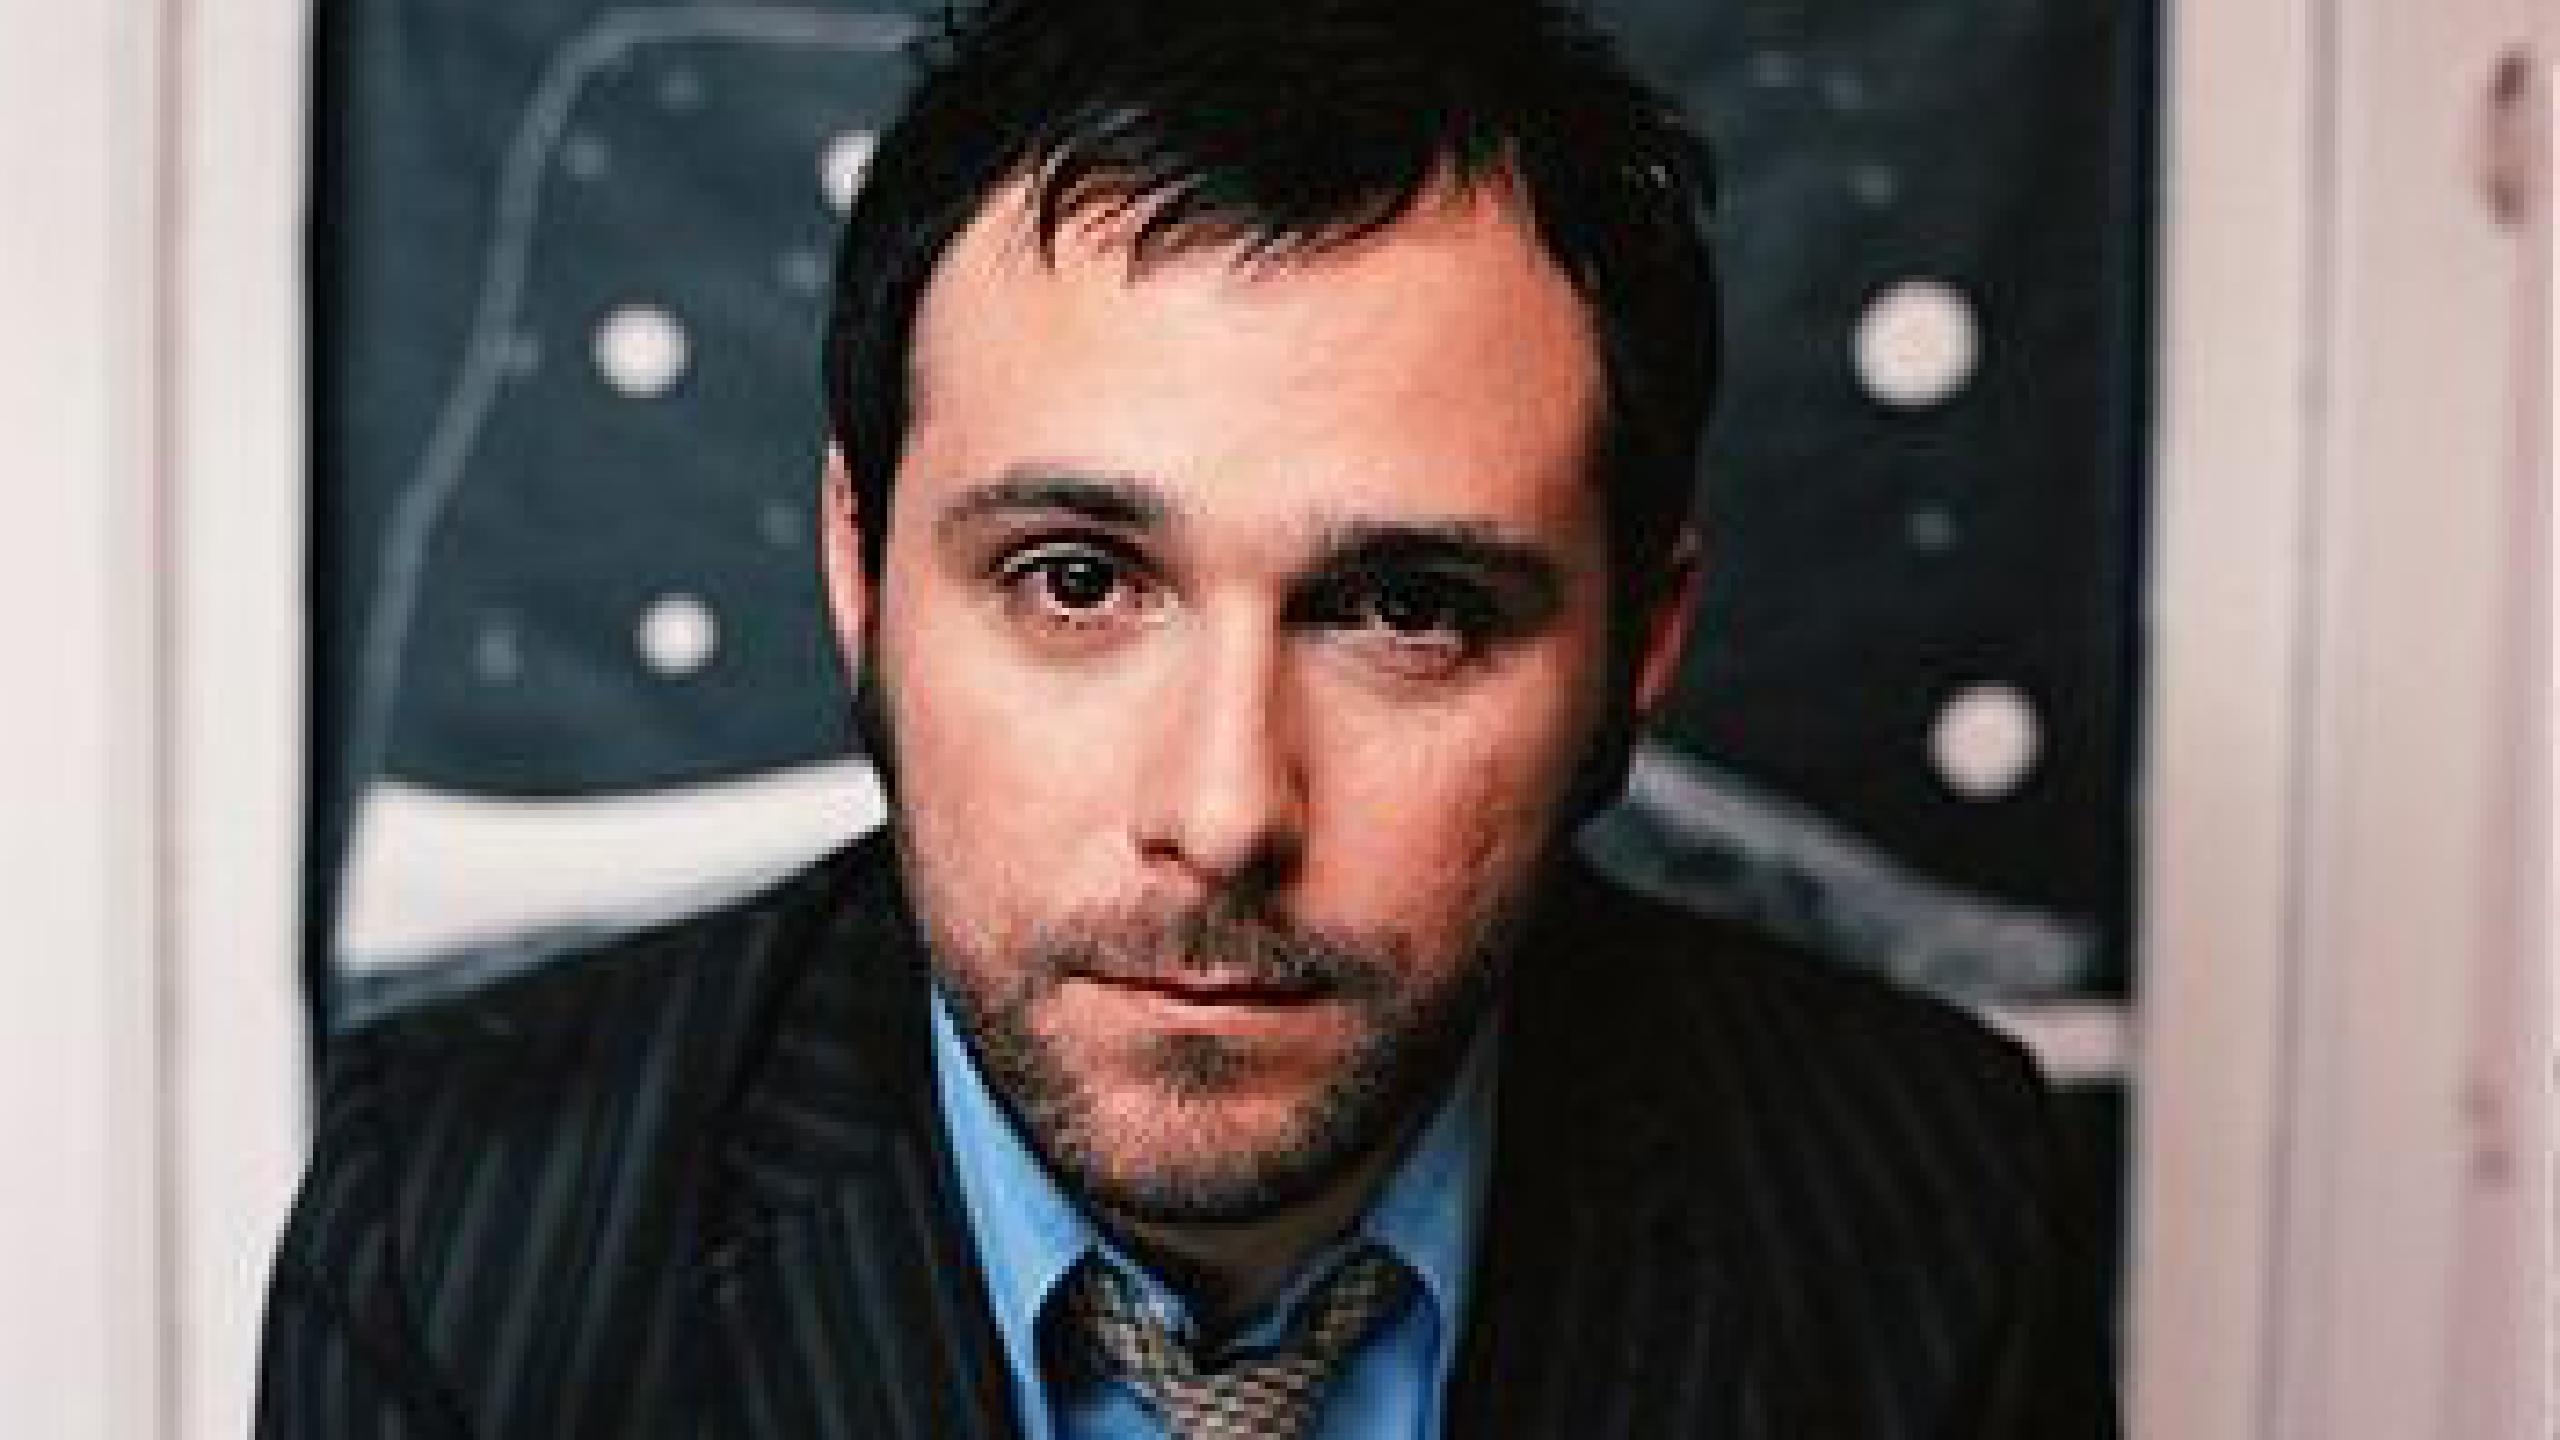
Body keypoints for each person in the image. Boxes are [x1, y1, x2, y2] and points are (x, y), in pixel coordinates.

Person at [257, 1, 2116, 1435]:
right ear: (857, 568)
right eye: (1077, 581)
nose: (1226, 812)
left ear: (1642, 643)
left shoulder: (1926, 1217)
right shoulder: (464, 1248)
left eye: (1408, 610)